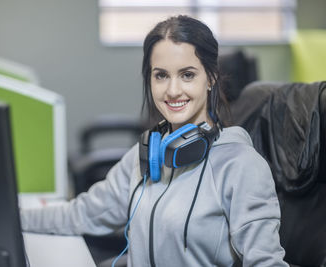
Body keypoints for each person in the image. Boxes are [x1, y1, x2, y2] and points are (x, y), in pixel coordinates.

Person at [21, 15, 289, 266]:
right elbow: (82, 215)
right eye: (161, 75)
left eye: (187, 75)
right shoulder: (149, 154)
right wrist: (11, 217)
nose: (172, 91)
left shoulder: (241, 165)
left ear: (210, 78)